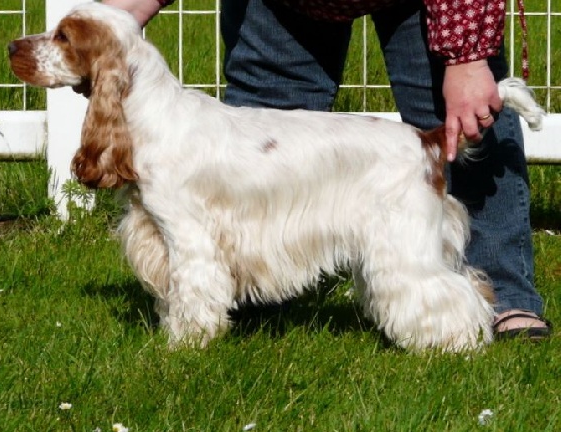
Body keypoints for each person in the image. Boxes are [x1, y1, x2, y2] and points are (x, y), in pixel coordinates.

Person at [100, 0, 551, 340]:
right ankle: (233, 298)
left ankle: (503, 296)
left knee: (460, 126)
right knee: (251, 165)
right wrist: (119, 14)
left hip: (428, 5)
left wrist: (467, 55)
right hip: (284, 4)